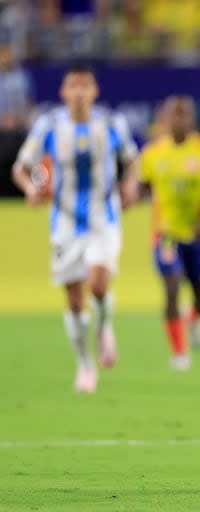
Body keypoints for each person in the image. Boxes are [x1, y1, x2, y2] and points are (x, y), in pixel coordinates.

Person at [12, 63, 139, 393]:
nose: (80, 92)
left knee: (98, 283)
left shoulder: (112, 123)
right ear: (63, 92)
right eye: (73, 86)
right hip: (65, 220)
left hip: (104, 217)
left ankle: (105, 328)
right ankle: (84, 363)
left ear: (95, 91)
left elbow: (133, 161)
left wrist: (130, 186)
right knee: (74, 299)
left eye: (86, 86)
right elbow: (21, 168)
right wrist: (30, 188)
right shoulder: (49, 125)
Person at [138, 96, 200, 370]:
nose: (179, 121)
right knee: (172, 287)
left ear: (192, 119)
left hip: (198, 238)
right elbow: (142, 187)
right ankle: (179, 352)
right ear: (164, 119)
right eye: (173, 115)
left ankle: (193, 317)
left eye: (184, 115)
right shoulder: (153, 153)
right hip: (166, 234)